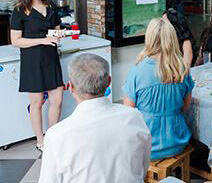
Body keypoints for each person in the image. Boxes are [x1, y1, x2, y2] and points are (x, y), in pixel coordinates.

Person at [38, 53, 152, 183]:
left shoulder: (56, 135)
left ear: (71, 87)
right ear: (109, 82)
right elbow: (143, 167)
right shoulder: (133, 117)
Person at [123, 18, 194, 160]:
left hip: (148, 145)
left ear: (149, 38)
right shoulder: (182, 69)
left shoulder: (137, 71)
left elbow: (128, 112)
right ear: (172, 39)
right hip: (178, 140)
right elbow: (186, 107)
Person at [10, 0, 63, 151]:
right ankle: (40, 140)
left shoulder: (51, 6)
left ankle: (53, 136)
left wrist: (60, 34)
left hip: (51, 59)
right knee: (37, 102)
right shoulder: (19, 11)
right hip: (32, 61)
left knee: (57, 100)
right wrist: (43, 40)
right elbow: (16, 41)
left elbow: (56, 30)